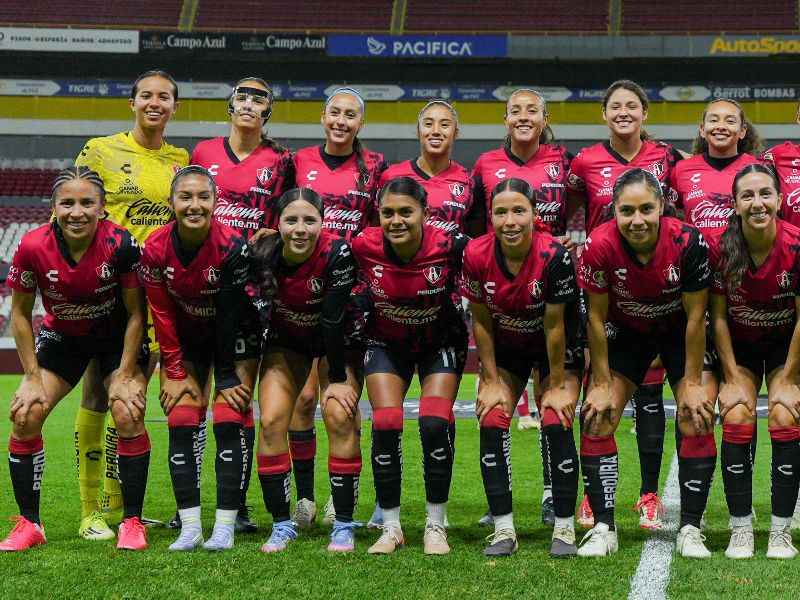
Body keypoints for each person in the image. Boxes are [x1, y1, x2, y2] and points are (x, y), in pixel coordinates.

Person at [0, 167, 149, 551]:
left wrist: (126, 373)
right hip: (64, 338)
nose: (77, 211)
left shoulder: (121, 244)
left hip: (115, 338)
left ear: (102, 209)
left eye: (87, 203)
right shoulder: (33, 245)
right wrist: (31, 376)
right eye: (67, 203)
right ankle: (30, 524)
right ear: (54, 208)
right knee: (26, 414)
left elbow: (136, 314)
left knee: (127, 410)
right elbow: (19, 313)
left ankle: (132, 522)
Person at [74, 69, 188, 538]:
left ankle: (122, 504)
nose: (154, 103)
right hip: (109, 296)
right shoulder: (100, 150)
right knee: (98, 393)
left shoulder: (180, 159)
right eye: (146, 95)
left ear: (174, 107)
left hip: (160, 296)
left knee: (135, 399)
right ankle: (92, 510)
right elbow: (72, 207)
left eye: (164, 96)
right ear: (132, 102)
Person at [577, 168, 713, 558]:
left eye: (646, 209)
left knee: (696, 413)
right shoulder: (598, 245)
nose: (637, 220)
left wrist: (691, 382)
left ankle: (690, 528)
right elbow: (596, 319)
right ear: (614, 212)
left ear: (662, 207)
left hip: (675, 332)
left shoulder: (688, 241)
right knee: (597, 416)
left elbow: (694, 318)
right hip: (626, 334)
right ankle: (604, 527)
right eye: (627, 211)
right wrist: (601, 383)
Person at [567, 80, 684, 529]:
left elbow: (676, 214)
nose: (623, 112)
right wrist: (577, 247)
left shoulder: (668, 158)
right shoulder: (584, 161)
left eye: (631, 105)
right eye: (615, 106)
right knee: (598, 395)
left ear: (645, 113)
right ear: (603, 113)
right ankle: (594, 496)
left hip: (655, 286)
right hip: (604, 285)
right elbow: (572, 214)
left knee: (651, 393)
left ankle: (649, 494)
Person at [190, 76, 294, 533]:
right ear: (229, 104)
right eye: (243, 96)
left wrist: (267, 242)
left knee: (235, 401)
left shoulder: (281, 161)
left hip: (251, 293)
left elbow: (285, 222)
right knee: (189, 403)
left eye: (259, 98)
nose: (250, 103)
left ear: (268, 111)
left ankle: (237, 504)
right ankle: (187, 503)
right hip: (198, 290)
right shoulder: (202, 154)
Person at [471, 87, 575, 527]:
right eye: (515, 110)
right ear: (505, 119)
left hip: (554, 277)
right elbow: (478, 219)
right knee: (494, 409)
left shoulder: (564, 160)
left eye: (532, 110)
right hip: (506, 280)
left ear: (545, 116)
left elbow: (584, 205)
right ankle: (502, 503)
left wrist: (575, 235)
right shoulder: (485, 166)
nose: (523, 116)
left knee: (553, 403)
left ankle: (555, 494)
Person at [139, 165, 258, 552]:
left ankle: (224, 526)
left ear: (215, 201)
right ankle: (189, 526)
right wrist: (173, 370)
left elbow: (229, 315)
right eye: (185, 197)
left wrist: (226, 375)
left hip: (235, 338)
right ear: (172, 202)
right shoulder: (155, 248)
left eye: (202, 197)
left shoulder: (232, 246)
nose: (194, 204)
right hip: (187, 341)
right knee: (181, 419)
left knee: (228, 420)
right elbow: (162, 314)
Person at [462, 177, 582, 557]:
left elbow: (555, 326)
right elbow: (480, 321)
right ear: (491, 218)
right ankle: (503, 529)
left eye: (519, 211)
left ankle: (564, 527)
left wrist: (558, 386)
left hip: (556, 351)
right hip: (508, 348)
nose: (510, 220)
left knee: (555, 417)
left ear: (534, 214)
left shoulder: (554, 256)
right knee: (492, 416)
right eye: (501, 212)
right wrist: (491, 379)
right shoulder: (476, 254)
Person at [352, 176, 469, 555]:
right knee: (386, 423)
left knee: (435, 422)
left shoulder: (451, 246)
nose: (396, 220)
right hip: (386, 342)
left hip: (439, 342)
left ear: (425, 213)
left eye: (406, 211)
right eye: (388, 213)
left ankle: (436, 524)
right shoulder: (361, 247)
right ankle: (391, 527)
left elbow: (491, 257)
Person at [289, 87, 387, 527]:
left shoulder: (375, 168)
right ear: (323, 117)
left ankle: (340, 496)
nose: (341, 121)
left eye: (350, 115)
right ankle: (305, 498)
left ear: (360, 123)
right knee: (305, 397)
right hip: (305, 292)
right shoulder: (298, 162)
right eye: (335, 113)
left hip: (353, 297)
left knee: (344, 402)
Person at [248, 187, 361, 553]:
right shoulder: (262, 254)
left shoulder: (338, 252)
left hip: (334, 343)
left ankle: (343, 524)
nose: (300, 228)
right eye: (291, 220)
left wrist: (340, 380)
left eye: (309, 220)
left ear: (322, 223)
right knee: (271, 421)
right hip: (286, 344)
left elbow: (332, 320)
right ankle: (282, 524)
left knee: (339, 414)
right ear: (277, 223)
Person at [707, 164, 800, 559]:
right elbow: (719, 317)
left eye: (765, 194)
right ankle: (741, 528)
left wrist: (791, 378)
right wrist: (729, 376)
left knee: (784, 414)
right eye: (748, 195)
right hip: (739, 349)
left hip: (785, 348)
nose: (758, 203)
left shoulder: (797, 245)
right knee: (737, 415)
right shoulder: (719, 247)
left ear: (779, 200)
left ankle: (781, 531)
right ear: (735, 204)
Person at [378, 100, 474, 236]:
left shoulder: (468, 180)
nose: (435, 131)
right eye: (428, 124)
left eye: (445, 125)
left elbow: (474, 235)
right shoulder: (391, 176)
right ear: (418, 131)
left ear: (456, 133)